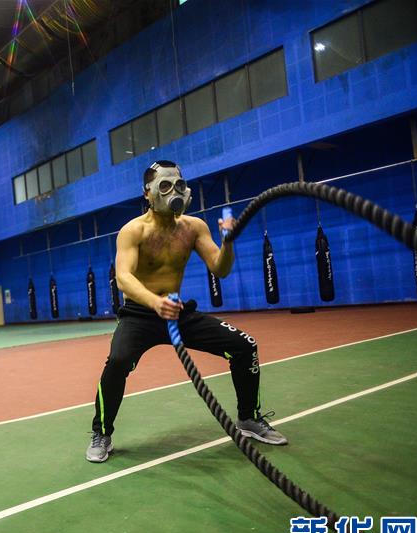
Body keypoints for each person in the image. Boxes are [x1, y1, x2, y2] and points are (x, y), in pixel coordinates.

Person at [86, 160, 287, 463]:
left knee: (245, 346)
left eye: (178, 185)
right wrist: (154, 302)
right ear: (148, 193)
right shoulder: (132, 231)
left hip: (178, 312)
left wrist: (228, 243)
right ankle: (102, 432)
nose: (173, 192)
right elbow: (124, 279)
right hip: (140, 314)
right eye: (164, 186)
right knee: (117, 362)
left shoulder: (193, 227)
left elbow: (220, 268)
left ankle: (249, 418)